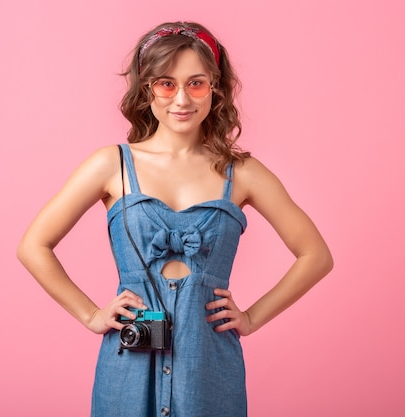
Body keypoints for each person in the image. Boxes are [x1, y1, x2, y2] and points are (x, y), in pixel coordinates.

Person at [17, 21, 333, 417]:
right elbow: (33, 246)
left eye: (196, 83)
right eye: (166, 83)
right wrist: (90, 314)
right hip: (127, 369)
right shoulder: (110, 165)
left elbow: (316, 255)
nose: (181, 98)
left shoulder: (243, 172)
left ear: (215, 88)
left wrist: (251, 317)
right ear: (146, 88)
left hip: (209, 367)